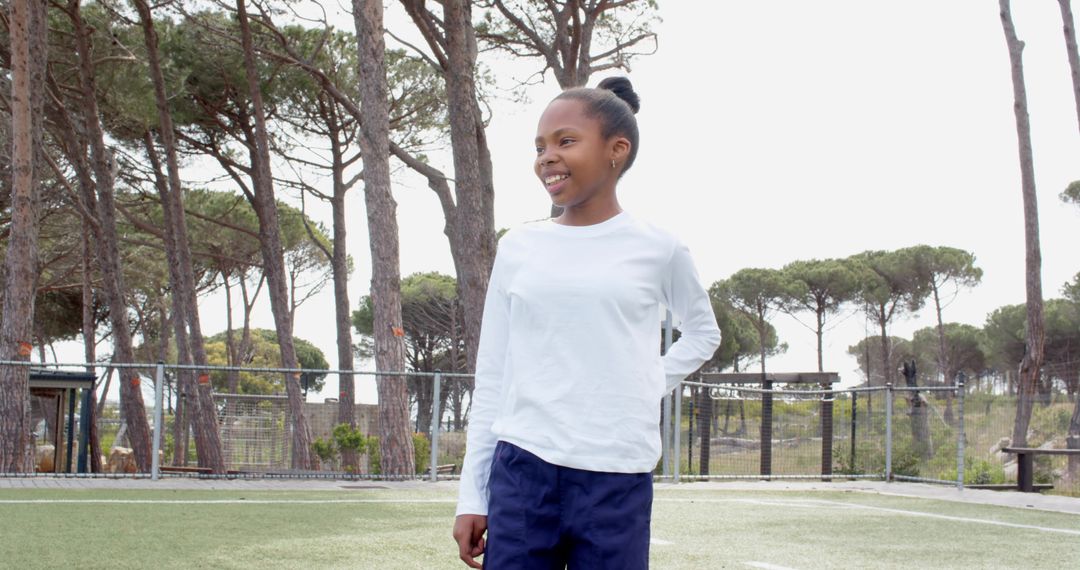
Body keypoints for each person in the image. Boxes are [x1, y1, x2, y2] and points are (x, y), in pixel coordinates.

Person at [452, 77, 722, 569]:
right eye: (540, 146)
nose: (546, 157)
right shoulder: (519, 246)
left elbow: (704, 332)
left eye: (565, 141)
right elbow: (493, 372)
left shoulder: (659, 247)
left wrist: (648, 381)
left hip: (616, 476)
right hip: (522, 470)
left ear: (617, 149)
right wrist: (473, 494)